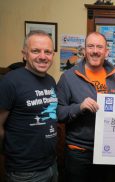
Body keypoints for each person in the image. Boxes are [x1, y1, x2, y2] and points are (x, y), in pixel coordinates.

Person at [56, 32, 115, 182]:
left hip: (106, 150)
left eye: (99, 47)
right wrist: (79, 107)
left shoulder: (114, 77)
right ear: (84, 50)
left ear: (106, 52)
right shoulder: (68, 77)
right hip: (78, 152)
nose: (95, 51)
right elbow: (57, 112)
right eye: (90, 46)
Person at [0, 30, 58, 181]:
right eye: (35, 51)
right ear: (24, 54)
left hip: (51, 165)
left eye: (48, 52)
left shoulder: (51, 81)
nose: (43, 56)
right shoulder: (10, 81)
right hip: (24, 172)